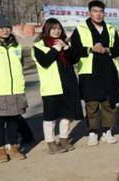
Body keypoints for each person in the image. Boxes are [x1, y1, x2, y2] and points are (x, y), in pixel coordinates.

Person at [70, 0, 119, 146]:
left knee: (108, 103)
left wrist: (107, 50)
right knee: (91, 103)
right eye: (95, 11)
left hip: (108, 70)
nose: (98, 14)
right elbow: (74, 50)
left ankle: (107, 130)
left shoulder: (111, 28)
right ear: (89, 13)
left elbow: (118, 49)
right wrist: (90, 49)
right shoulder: (81, 28)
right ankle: (92, 132)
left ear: (104, 13)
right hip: (89, 71)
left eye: (101, 11)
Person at [32, 18, 83, 154]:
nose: (57, 31)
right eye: (53, 28)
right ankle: (51, 143)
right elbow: (45, 61)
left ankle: (64, 139)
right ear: (47, 30)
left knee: (68, 114)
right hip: (51, 86)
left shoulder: (64, 44)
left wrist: (66, 47)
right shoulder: (38, 46)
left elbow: (74, 60)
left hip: (68, 84)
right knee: (50, 116)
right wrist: (56, 48)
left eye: (59, 28)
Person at [0, 14, 27, 162]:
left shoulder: (16, 46)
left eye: (7, 27)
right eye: (1, 27)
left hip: (15, 89)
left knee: (13, 120)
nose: (5, 30)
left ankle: (14, 147)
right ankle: (1, 149)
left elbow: (20, 64)